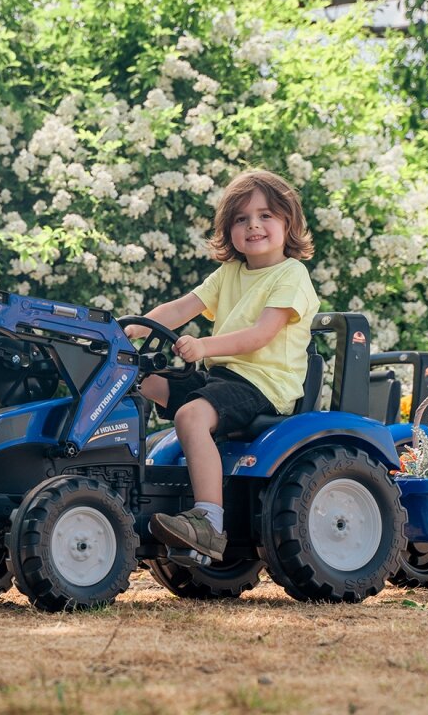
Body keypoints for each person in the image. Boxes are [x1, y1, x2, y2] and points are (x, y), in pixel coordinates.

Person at [124, 169, 319, 561]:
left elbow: (260, 335)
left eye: (266, 215)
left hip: (263, 385)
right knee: (137, 380)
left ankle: (209, 523)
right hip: (220, 381)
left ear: (288, 222)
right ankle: (126, 482)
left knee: (192, 417)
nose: (254, 226)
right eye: (242, 219)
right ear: (229, 229)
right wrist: (130, 329)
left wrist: (203, 345)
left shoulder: (291, 275)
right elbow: (181, 308)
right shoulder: (230, 272)